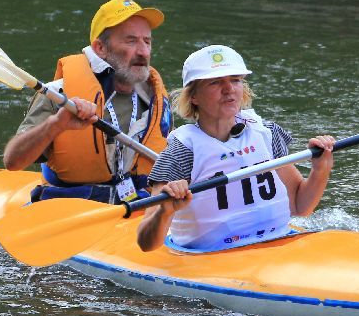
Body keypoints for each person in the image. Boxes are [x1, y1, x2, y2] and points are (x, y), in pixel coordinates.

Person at [137, 45, 335, 252]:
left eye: (235, 80)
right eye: (215, 82)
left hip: (277, 243)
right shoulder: (181, 152)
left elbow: (300, 206)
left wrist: (320, 170)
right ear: (193, 96)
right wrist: (165, 212)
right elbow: (146, 244)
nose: (229, 89)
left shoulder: (266, 133)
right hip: (211, 256)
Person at [3, 0, 172, 204]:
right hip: (70, 205)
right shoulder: (59, 94)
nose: (143, 51)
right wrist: (56, 124)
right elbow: (13, 161)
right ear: (100, 48)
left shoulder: (155, 100)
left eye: (147, 41)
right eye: (131, 41)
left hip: (135, 203)